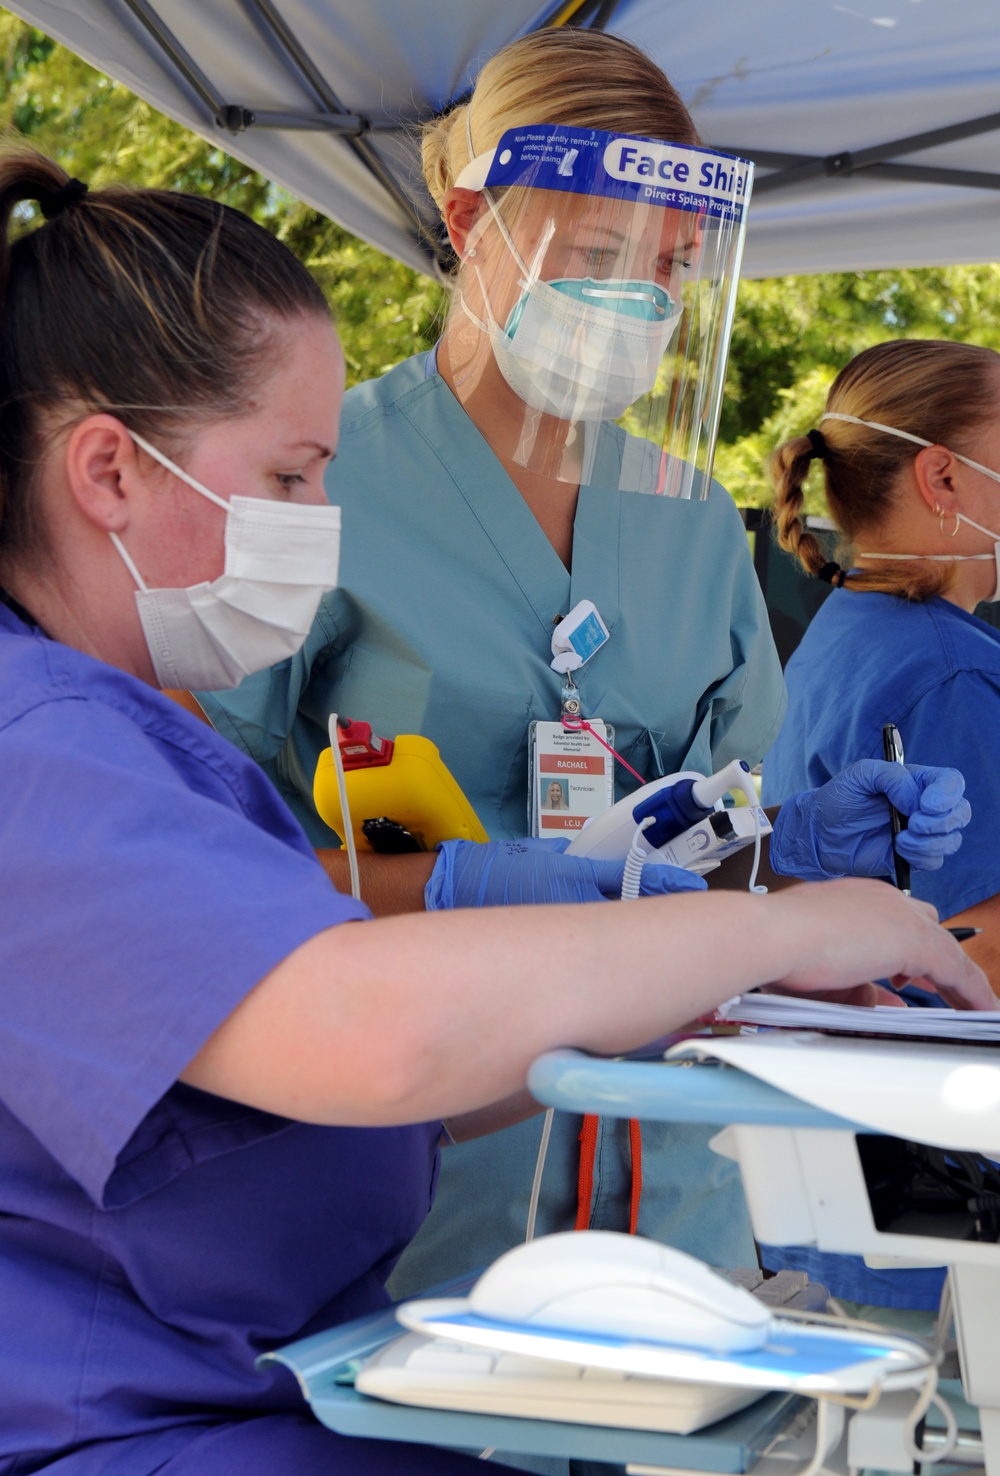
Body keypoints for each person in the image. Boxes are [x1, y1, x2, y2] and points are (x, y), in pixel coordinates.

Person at [1, 152, 990, 1476]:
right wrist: (766, 936)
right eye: (292, 480)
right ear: (109, 472)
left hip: (351, 1325)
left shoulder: (679, 519)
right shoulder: (49, 748)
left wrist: (714, 955)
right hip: (163, 1404)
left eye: (665, 270)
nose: (319, 518)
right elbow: (356, 1017)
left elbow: (268, 1058)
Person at [196, 25, 793, 1301]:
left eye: (673, 269)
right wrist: (452, 882)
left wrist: (813, 851)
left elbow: (745, 835)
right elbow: (191, 867)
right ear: (473, 224)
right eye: (598, 257)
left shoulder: (689, 521)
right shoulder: (312, 483)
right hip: (405, 1180)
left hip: (669, 1184)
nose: (641, 301)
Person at [760, 336, 1000, 1320]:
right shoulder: (946, 669)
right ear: (941, 474)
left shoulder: (847, 631)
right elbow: (972, 954)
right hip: (935, 1179)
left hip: (842, 1171)